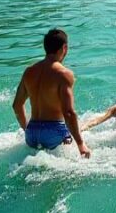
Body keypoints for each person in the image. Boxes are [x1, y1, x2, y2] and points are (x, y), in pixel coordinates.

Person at [12, 28, 90, 157]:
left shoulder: (29, 71)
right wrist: (81, 144)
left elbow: (16, 105)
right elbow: (68, 112)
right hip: (54, 132)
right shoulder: (63, 74)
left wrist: (27, 129)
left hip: (31, 133)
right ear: (64, 48)